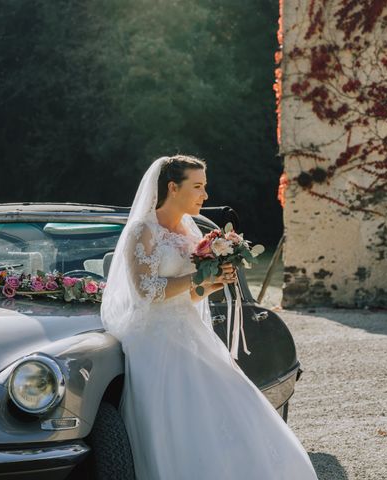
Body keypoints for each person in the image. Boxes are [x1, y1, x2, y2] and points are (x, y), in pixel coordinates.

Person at [101, 155, 318, 479]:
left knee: (232, 403)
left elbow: (188, 295)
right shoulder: (142, 231)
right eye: (198, 186)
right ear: (173, 188)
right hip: (155, 340)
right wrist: (199, 280)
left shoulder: (190, 234)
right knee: (176, 418)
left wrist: (213, 283)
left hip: (188, 330)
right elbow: (145, 291)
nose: (205, 195)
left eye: (205, 186)